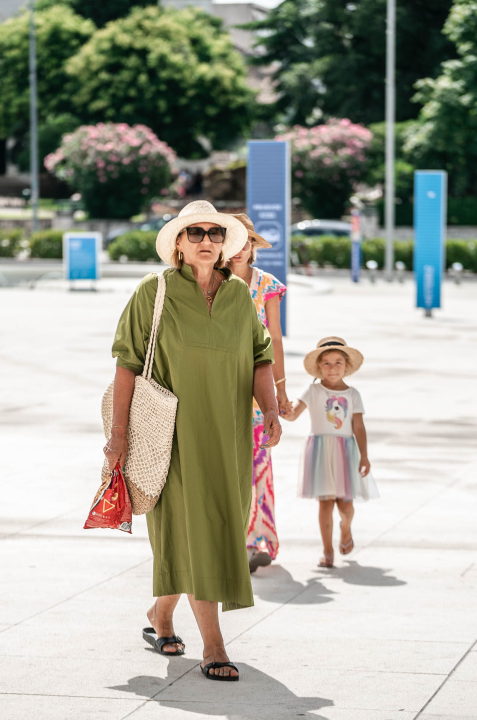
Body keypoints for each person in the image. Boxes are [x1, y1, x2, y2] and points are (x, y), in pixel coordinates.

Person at [105, 200, 280, 682]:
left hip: (228, 437)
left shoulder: (240, 296)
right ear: (178, 244)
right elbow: (125, 362)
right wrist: (117, 438)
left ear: (226, 245)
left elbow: (260, 356)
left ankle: (161, 615)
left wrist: (269, 409)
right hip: (172, 440)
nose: (207, 240)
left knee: (214, 531)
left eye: (215, 233)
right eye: (196, 232)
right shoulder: (154, 291)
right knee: (198, 533)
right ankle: (215, 645)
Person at [226, 213, 289, 573]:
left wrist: (279, 393)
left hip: (257, 390)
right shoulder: (212, 282)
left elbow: (275, 339)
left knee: (258, 464)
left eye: (245, 242)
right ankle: (231, 540)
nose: (239, 249)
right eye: (232, 242)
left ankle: (255, 540)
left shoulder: (268, 286)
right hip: (221, 387)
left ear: (253, 247)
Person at [283, 337, 376, 569]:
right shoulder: (313, 390)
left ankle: (346, 529)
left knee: (345, 505)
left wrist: (364, 455)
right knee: (325, 503)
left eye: (337, 363)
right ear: (318, 367)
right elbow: (294, 414)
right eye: (326, 363)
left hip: (346, 453)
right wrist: (283, 408)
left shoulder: (353, 394)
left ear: (346, 365)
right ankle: (327, 550)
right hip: (320, 453)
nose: (332, 368)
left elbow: (358, 427)